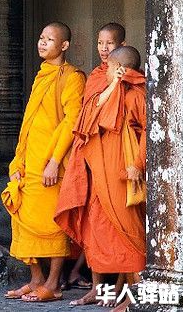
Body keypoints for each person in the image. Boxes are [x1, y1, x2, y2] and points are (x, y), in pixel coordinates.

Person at [55, 46, 147, 312]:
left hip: (122, 177)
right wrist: (113, 84)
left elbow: (148, 134)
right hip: (99, 176)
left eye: (108, 68)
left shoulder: (136, 96)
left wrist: (138, 165)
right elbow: (87, 121)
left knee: (129, 237)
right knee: (97, 236)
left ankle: (136, 298)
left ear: (119, 68)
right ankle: (103, 291)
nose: (103, 72)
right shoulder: (106, 94)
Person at [1, 22, 85, 302]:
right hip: (29, 161)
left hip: (51, 164)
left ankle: (54, 283)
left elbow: (71, 121)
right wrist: (18, 160)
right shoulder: (42, 75)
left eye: (49, 39)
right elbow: (30, 124)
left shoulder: (71, 77)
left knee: (52, 224)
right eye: (40, 38)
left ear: (64, 46)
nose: (42, 43)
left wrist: (54, 161)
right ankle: (36, 278)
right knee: (22, 218)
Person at [61, 23, 127, 294]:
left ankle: (123, 287)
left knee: (124, 227)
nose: (103, 48)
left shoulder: (133, 79)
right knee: (94, 225)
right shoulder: (96, 77)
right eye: (100, 43)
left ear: (122, 44)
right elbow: (89, 116)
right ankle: (97, 287)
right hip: (94, 160)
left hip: (119, 164)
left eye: (109, 43)